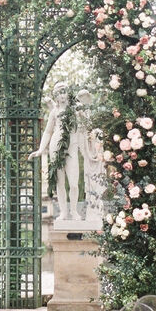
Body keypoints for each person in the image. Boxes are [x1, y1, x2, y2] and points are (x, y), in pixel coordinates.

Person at [29, 84, 98, 221]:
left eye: (64, 92)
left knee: (73, 183)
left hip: (71, 147)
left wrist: (84, 109)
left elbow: (87, 123)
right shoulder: (54, 112)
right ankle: (64, 213)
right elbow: (48, 132)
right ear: (56, 96)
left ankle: (74, 211)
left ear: (68, 93)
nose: (62, 95)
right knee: (60, 182)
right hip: (56, 146)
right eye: (59, 93)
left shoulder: (75, 109)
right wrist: (41, 150)